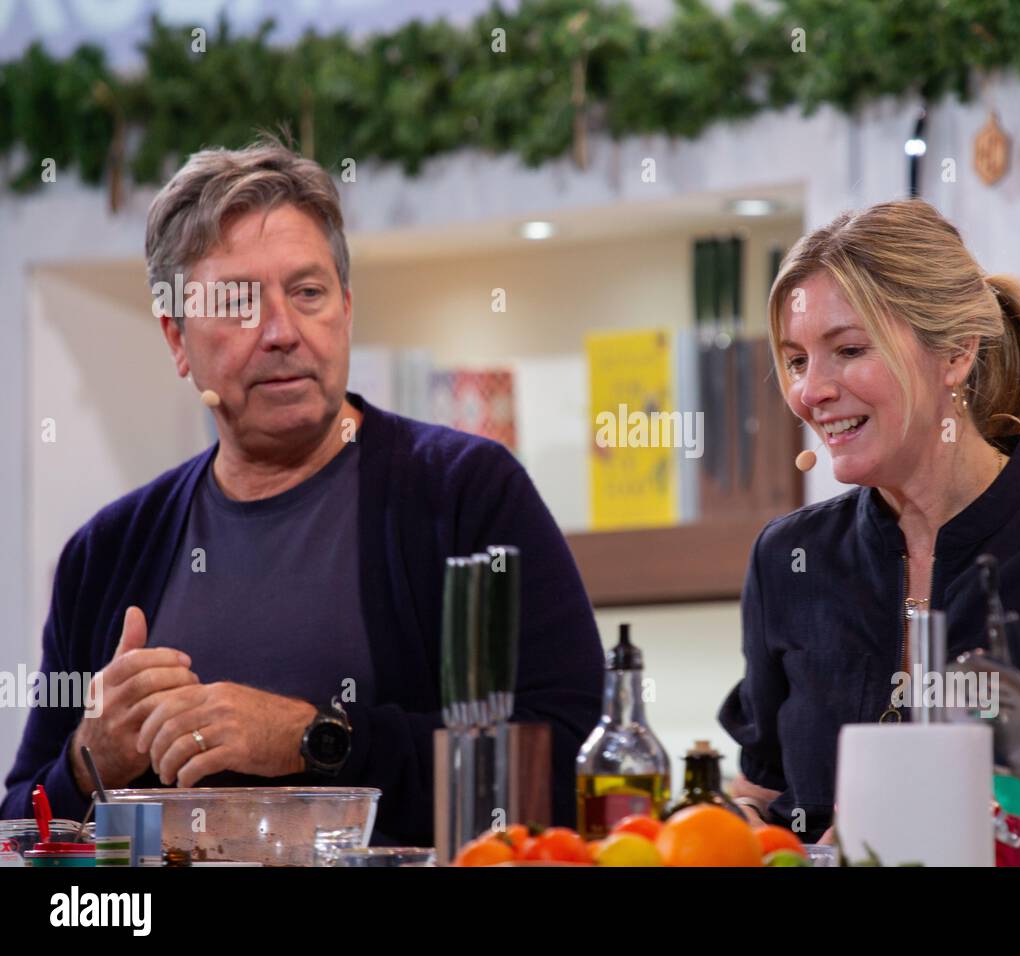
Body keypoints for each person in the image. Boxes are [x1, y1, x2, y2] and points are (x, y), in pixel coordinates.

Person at [1, 138, 604, 843]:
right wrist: (87, 761)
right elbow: (20, 825)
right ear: (176, 339)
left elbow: (570, 758)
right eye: (237, 302)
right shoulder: (106, 552)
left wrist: (314, 739)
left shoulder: (467, 494)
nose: (282, 331)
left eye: (308, 293)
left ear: (346, 310)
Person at [718, 199, 1020, 841]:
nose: (811, 390)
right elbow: (764, 789)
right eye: (797, 361)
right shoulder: (786, 559)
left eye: (848, 349)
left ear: (957, 353)